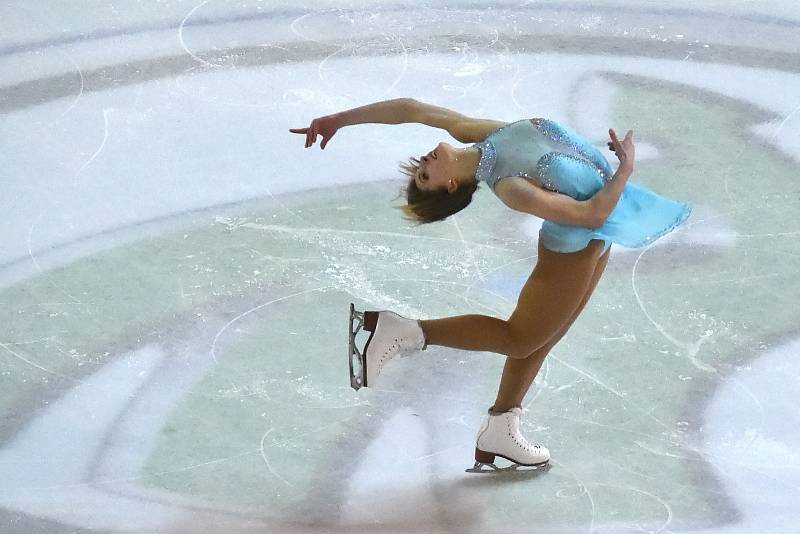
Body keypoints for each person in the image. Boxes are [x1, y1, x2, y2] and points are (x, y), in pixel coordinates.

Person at [290, 97, 691, 471]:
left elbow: (410, 108)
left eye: (419, 168)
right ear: (450, 187)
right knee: (521, 338)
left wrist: (337, 121)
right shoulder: (509, 185)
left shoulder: (479, 134)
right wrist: (625, 170)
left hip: (603, 234)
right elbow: (588, 214)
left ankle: (502, 428)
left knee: (546, 335)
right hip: (574, 246)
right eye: (427, 175)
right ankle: (403, 331)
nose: (425, 163)